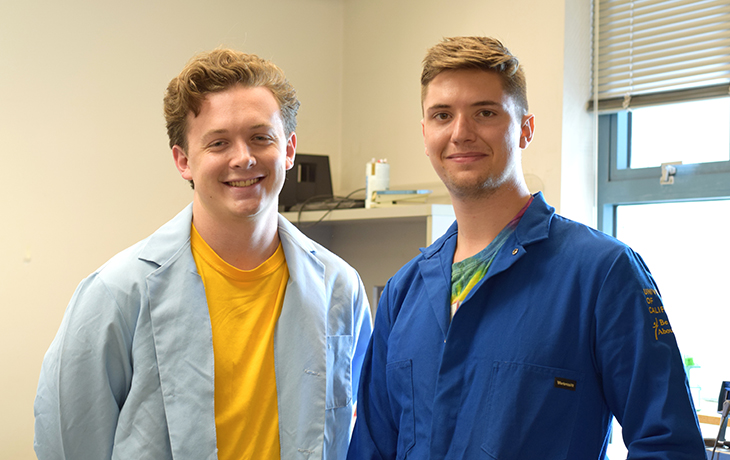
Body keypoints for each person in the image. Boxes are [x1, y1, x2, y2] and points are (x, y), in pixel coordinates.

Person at [347, 36, 706, 459]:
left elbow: (669, 445)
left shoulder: (602, 273)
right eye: (442, 115)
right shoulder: (404, 293)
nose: (460, 133)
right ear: (426, 134)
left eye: (485, 112)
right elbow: (371, 449)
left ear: (525, 129)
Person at [34, 48, 372, 460]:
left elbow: (359, 428)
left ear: (289, 149)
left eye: (261, 137)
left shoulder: (340, 286)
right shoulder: (115, 294)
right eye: (218, 142)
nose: (243, 157)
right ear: (183, 161)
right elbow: (67, 443)